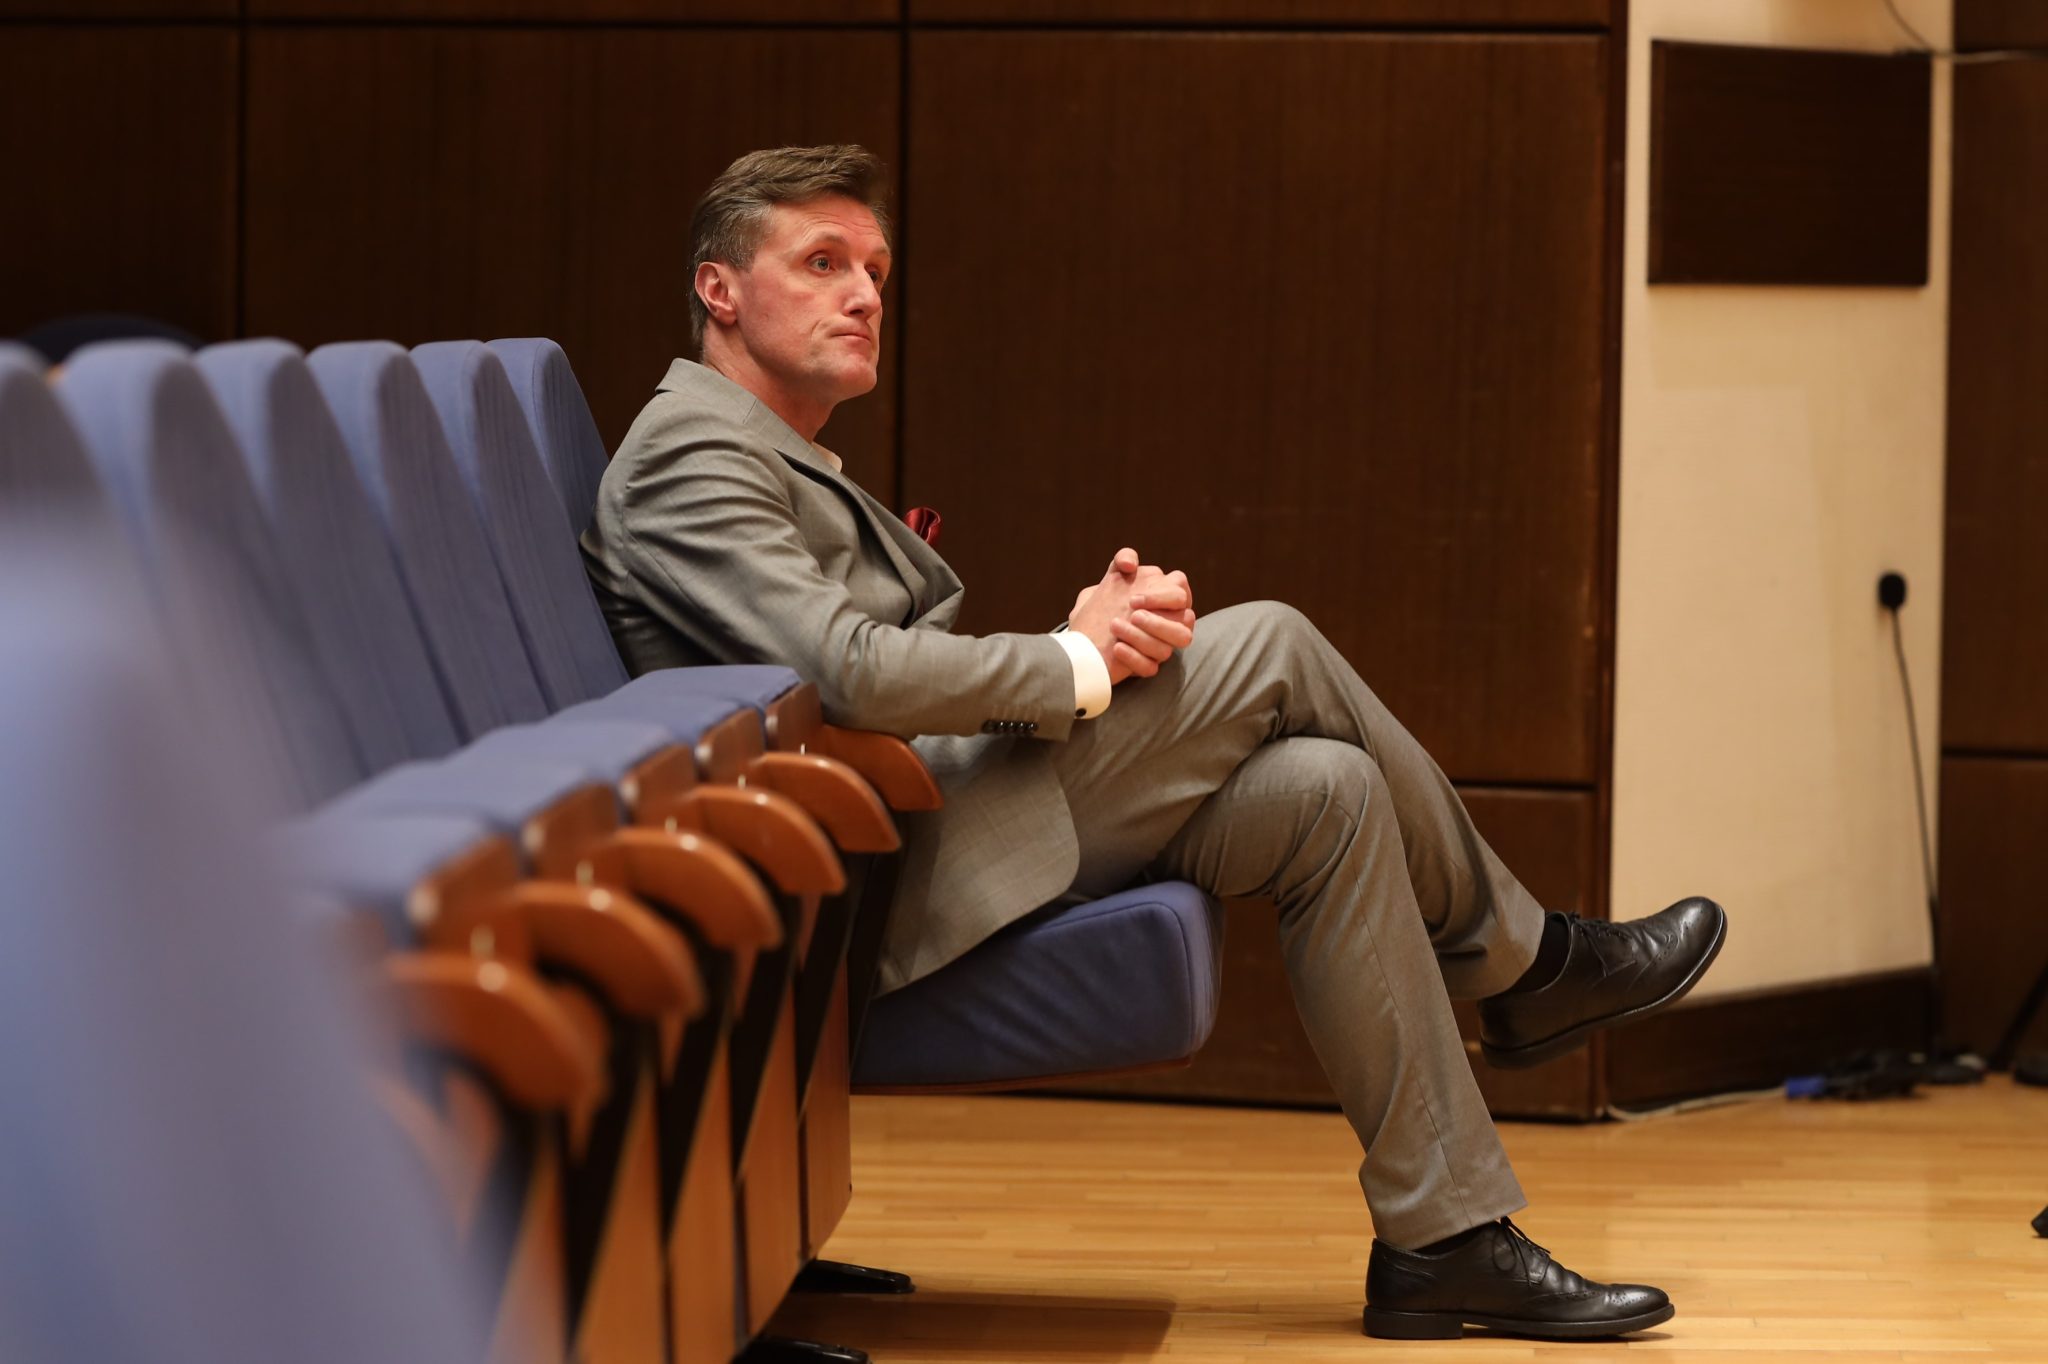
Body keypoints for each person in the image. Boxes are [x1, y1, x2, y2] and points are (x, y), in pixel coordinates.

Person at [581, 144, 1725, 1341]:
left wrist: (1083, 634)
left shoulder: (754, 449)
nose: (863, 293)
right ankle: (1530, 968)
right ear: (718, 288)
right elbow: (849, 670)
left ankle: (1443, 1239)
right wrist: (1074, 663)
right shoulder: (685, 454)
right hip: (845, 873)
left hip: (902, 806)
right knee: (1271, 640)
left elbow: (853, 670)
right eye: (821, 263)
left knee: (1326, 790)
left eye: (874, 268)